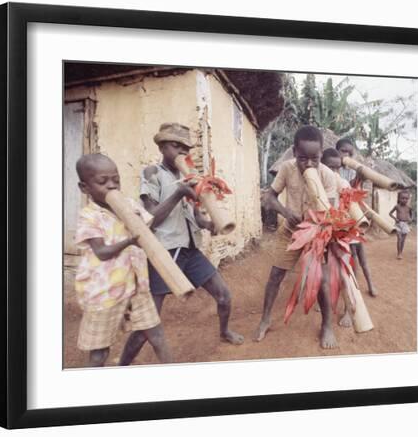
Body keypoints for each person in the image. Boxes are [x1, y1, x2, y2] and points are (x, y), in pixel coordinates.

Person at [119, 123, 244, 366]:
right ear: (162, 145)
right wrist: (178, 194)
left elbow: (196, 218)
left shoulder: (188, 177)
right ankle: (121, 365)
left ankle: (224, 331)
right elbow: (150, 220)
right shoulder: (152, 174)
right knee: (149, 321)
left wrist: (211, 225)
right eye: (176, 146)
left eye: (185, 148)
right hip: (163, 254)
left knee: (224, 296)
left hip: (190, 251)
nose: (181, 152)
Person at [74, 153, 172, 367]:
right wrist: (130, 241)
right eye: (103, 182)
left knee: (157, 337)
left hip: (136, 286)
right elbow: (101, 252)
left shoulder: (128, 203)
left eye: (116, 180)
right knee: (100, 353)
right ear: (85, 188)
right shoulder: (89, 216)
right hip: (105, 293)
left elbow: (149, 224)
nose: (111, 186)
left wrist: (141, 225)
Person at [253, 125, 339, 348]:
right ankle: (265, 320)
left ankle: (327, 325)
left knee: (321, 281)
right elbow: (269, 198)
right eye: (303, 159)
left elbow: (331, 211)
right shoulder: (286, 168)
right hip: (290, 232)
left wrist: (317, 224)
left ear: (321, 155)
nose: (308, 164)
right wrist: (285, 212)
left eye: (315, 159)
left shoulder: (328, 176)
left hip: (316, 235)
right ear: (294, 152)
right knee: (275, 276)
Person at [322, 147, 378, 300]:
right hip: (330, 230)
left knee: (356, 260)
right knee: (328, 265)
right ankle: (326, 297)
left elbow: (353, 197)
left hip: (349, 228)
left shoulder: (344, 182)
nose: (333, 171)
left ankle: (360, 291)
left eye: (336, 167)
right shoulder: (319, 183)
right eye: (329, 167)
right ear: (321, 165)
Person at [389, 190, 414, 259]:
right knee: (399, 239)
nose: (404, 200)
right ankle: (399, 254)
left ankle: (401, 252)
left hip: (405, 224)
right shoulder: (397, 206)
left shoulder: (409, 207)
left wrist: (411, 219)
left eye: (406, 198)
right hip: (398, 224)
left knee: (403, 240)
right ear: (399, 198)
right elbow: (390, 213)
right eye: (402, 198)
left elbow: (412, 214)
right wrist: (395, 218)